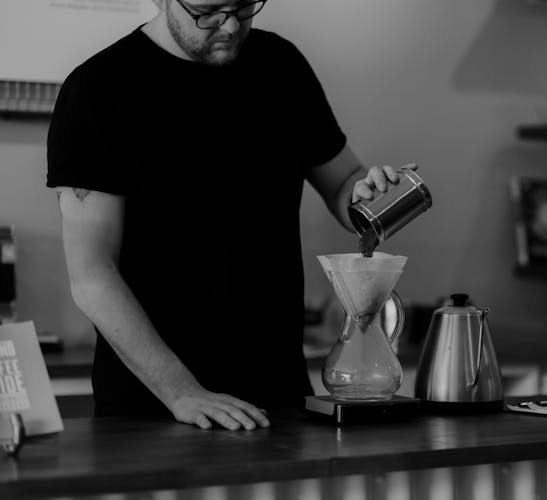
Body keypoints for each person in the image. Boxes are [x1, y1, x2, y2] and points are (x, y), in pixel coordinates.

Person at [46, 0, 410, 430]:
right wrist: (182, 391)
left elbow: (343, 180)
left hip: (279, 400)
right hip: (154, 412)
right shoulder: (98, 90)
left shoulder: (281, 66)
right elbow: (92, 277)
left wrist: (368, 194)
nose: (231, 25)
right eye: (209, 11)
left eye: (243, 6)